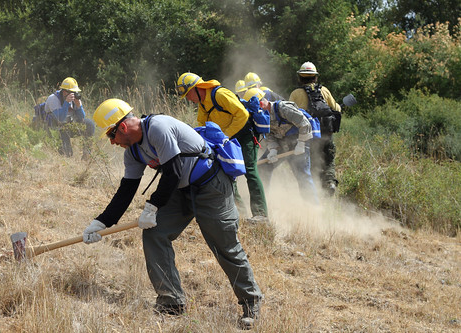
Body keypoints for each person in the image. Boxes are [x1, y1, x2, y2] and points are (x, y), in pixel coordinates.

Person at [82, 98, 263, 329]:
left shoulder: (159, 127)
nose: (112, 142)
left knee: (223, 243)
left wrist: (152, 206)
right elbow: (126, 190)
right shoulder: (133, 153)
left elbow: (174, 171)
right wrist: (101, 222)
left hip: (211, 185)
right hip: (179, 189)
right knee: (155, 234)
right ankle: (171, 302)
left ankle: (251, 302)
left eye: (111, 136)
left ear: (123, 128)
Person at [176, 72, 269, 223]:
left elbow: (242, 115)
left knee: (250, 171)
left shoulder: (220, 94)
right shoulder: (203, 104)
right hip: (229, 138)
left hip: (245, 134)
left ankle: (261, 214)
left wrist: (226, 135)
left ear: (197, 88)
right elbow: (201, 126)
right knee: (228, 173)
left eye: (188, 94)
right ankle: (240, 213)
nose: (188, 98)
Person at [244, 88, 319, 204]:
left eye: (256, 106)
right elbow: (269, 134)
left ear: (261, 102)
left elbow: (304, 124)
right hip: (281, 145)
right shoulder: (262, 116)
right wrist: (273, 149)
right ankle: (262, 203)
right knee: (263, 167)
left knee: (302, 175)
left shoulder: (283, 108)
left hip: (299, 142)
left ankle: (314, 207)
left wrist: (301, 143)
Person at [289, 62, 341, 195]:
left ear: (300, 77)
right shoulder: (324, 90)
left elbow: (289, 115)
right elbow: (336, 109)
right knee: (328, 159)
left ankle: (314, 191)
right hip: (326, 133)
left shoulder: (295, 94)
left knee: (309, 163)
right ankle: (329, 183)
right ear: (315, 77)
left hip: (307, 136)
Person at [44, 77, 95, 158]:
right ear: (64, 92)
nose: (75, 94)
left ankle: (87, 155)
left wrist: (78, 106)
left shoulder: (75, 99)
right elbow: (60, 119)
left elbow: (81, 118)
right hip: (56, 129)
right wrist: (66, 103)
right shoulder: (53, 99)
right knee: (67, 155)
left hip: (68, 126)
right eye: (73, 92)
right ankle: (65, 153)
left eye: (76, 92)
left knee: (89, 124)